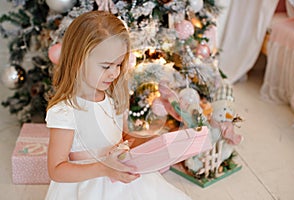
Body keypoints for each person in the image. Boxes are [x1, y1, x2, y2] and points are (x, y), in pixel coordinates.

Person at [45, 11, 191, 199]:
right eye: (106, 66)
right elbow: (56, 169)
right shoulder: (66, 111)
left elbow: (121, 138)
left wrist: (149, 142)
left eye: (119, 64)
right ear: (77, 61)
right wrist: (104, 168)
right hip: (88, 184)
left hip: (119, 175)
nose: (114, 73)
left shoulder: (112, 99)